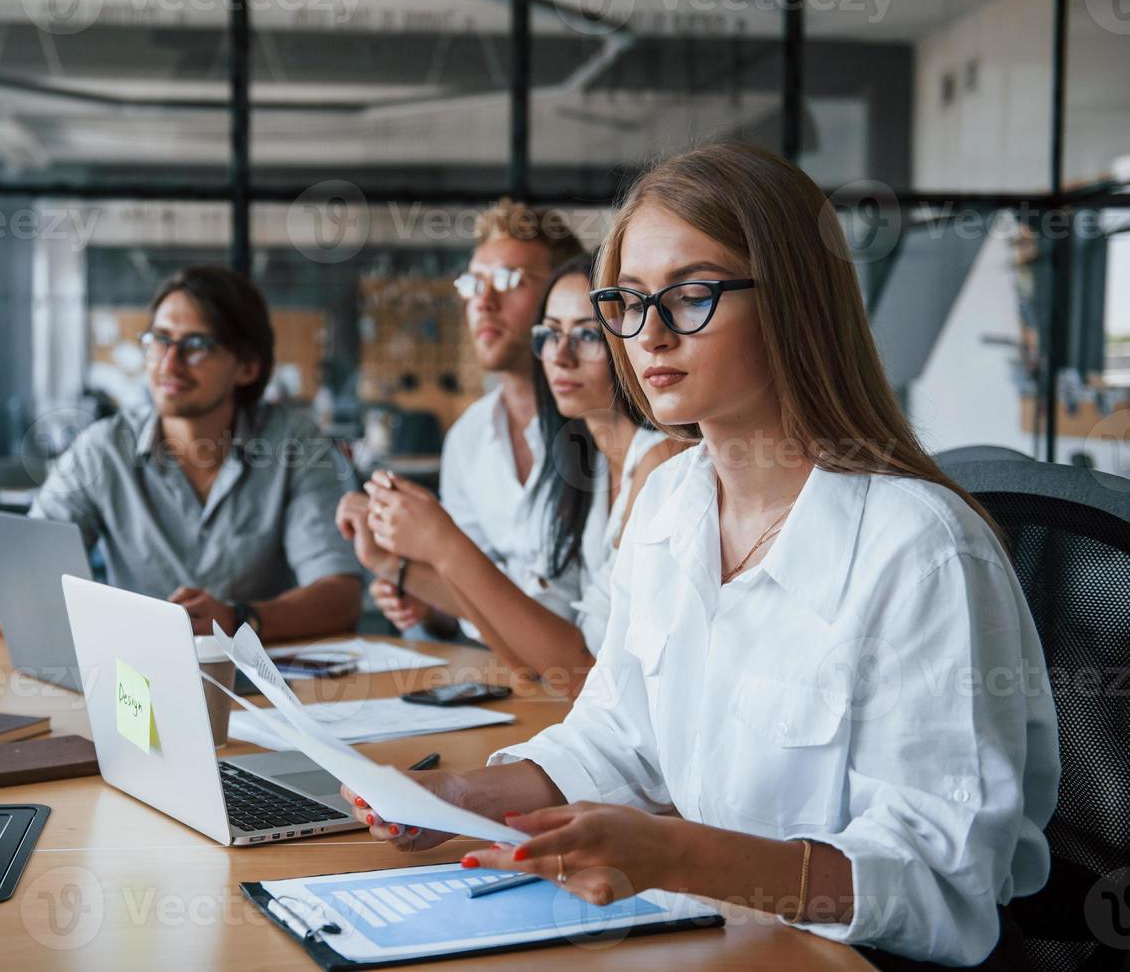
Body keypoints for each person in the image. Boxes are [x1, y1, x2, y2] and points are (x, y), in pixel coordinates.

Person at [341, 142, 1059, 968]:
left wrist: (675, 853)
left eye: (690, 296)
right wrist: (458, 797)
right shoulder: (672, 503)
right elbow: (617, 740)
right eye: (630, 301)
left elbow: (939, 886)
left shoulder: (920, 550)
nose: (648, 335)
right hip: (697, 935)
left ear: (792, 301)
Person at [349, 255, 687, 696]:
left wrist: (443, 544)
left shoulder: (662, 463)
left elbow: (585, 673)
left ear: (630, 339)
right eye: (550, 334)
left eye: (587, 334)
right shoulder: (587, 467)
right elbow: (530, 664)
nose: (561, 357)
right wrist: (391, 563)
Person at [0, 265, 362, 641]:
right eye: (159, 340)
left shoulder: (294, 444)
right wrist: (137, 632)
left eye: (196, 345)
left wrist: (239, 620)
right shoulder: (102, 450)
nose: (169, 363)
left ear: (246, 367)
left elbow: (339, 595)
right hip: (134, 687)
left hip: (261, 685)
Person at [338, 199, 586, 641]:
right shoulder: (467, 438)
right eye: (473, 283)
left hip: (582, 675)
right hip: (498, 665)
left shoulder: (604, 430)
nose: (484, 301)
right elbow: (470, 596)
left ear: (562, 292)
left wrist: (417, 562)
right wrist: (424, 599)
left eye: (509, 280)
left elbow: (570, 626)